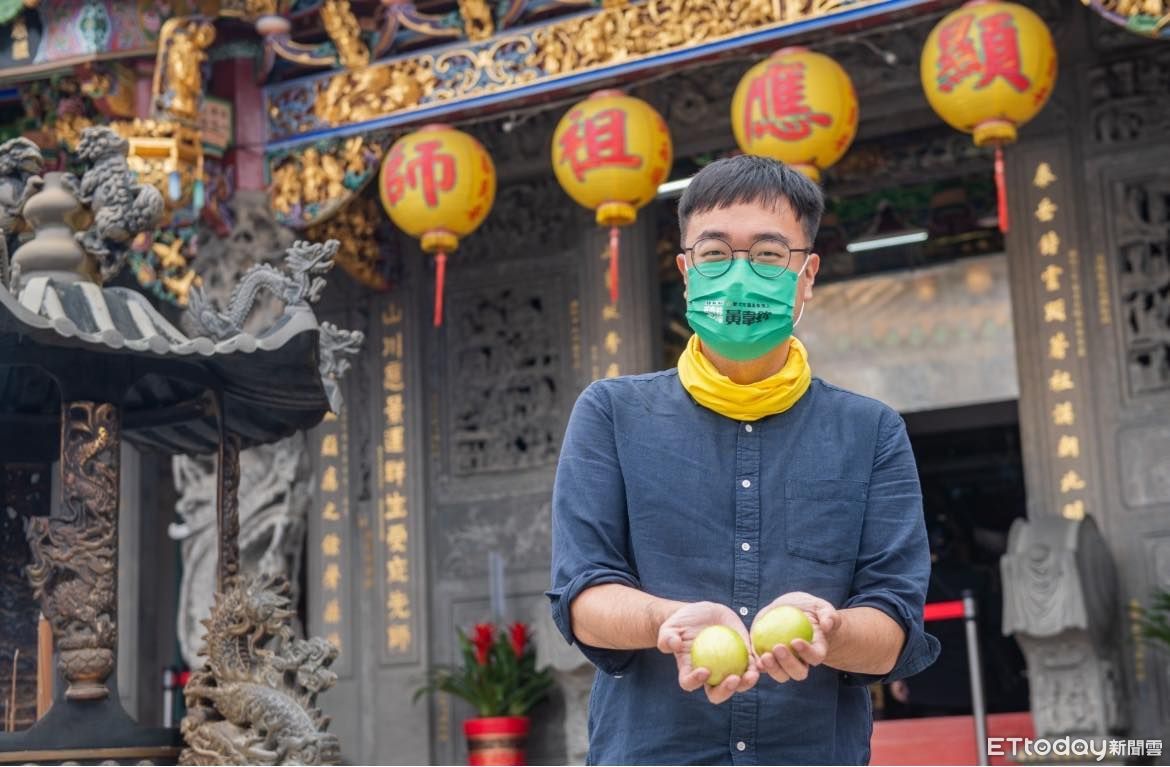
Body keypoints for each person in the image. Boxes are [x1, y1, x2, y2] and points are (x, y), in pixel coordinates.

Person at [547, 155, 940, 765]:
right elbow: (582, 598)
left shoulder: (871, 432)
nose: (739, 275)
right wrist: (666, 621)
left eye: (768, 254)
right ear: (686, 272)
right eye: (714, 254)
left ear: (807, 275)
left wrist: (830, 629)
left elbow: (892, 627)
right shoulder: (612, 414)